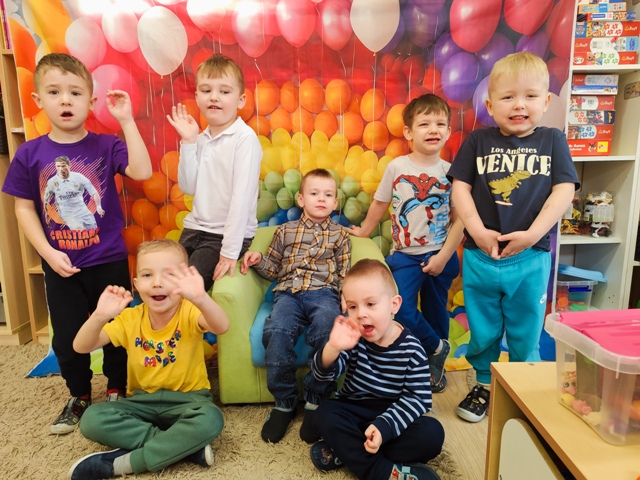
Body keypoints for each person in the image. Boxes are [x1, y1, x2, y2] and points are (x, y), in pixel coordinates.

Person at [1, 53, 152, 434]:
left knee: (117, 327)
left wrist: (127, 121)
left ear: (91, 100)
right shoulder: (29, 154)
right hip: (61, 264)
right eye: (54, 92)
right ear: (38, 100)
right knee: (68, 333)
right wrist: (48, 253)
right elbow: (25, 208)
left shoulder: (105, 145)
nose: (65, 100)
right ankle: (79, 394)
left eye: (75, 92)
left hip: (108, 259)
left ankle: (116, 388)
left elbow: (142, 171)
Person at [448, 52, 579, 423]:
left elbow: (564, 190)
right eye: (508, 97)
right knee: (483, 329)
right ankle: (484, 384)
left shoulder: (553, 140)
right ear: (490, 105)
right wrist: (476, 231)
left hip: (530, 257)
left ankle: (524, 388)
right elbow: (460, 189)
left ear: (546, 101)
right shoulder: (477, 141)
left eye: (530, 96)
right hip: (481, 256)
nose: (519, 105)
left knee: (526, 330)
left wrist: (533, 234)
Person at [68, 239, 228, 479]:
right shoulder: (130, 318)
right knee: (92, 419)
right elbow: (81, 346)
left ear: (184, 281)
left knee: (211, 419)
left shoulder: (189, 309)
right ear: (136, 284)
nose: (157, 283)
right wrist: (100, 316)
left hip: (189, 401)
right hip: (141, 402)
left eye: (169, 275)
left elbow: (222, 326)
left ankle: (126, 463)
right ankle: (180, 447)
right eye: (147, 275)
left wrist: (201, 298)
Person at [349, 94, 463, 393]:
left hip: (439, 253)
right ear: (409, 132)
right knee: (399, 309)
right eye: (424, 124)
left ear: (448, 131)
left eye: (440, 124)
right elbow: (380, 202)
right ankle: (437, 347)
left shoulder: (451, 172)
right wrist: (364, 230)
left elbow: (459, 219)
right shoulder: (397, 166)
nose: (433, 129)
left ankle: (433, 364)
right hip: (405, 255)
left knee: (437, 311)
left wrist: (443, 257)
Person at [241, 168, 351, 444]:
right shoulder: (285, 231)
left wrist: (346, 295)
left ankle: (316, 398)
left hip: (323, 293)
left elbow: (344, 272)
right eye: (314, 193)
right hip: (288, 294)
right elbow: (273, 268)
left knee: (327, 329)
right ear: (301, 199)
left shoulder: (340, 235)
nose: (321, 199)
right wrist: (258, 259)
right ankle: (284, 402)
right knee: (276, 331)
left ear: (335, 203)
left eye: (328, 195)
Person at [308, 259, 444, 480]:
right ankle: (381, 471)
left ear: (394, 305)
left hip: (392, 414)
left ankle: (347, 452)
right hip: (355, 408)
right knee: (324, 414)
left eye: (370, 304)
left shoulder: (413, 349)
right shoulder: (354, 339)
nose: (361, 314)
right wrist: (332, 347)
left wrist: (383, 428)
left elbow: (419, 400)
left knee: (432, 434)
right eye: (353, 307)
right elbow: (324, 375)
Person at [167, 53, 262, 292]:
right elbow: (188, 187)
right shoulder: (201, 138)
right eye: (206, 90)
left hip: (222, 236)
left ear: (240, 100)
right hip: (193, 229)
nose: (214, 97)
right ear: (197, 97)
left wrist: (229, 252)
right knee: (164, 282)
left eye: (224, 91)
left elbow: (242, 199)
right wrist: (188, 142)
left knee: (183, 290)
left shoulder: (245, 139)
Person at [43, 156, 103, 230]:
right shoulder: (52, 182)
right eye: (58, 166)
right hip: (67, 213)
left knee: (92, 231)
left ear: (69, 165)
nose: (60, 169)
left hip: (82, 211)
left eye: (63, 166)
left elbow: (94, 192)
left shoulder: (79, 177)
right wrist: (47, 214)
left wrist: (98, 206)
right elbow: (46, 201)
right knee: (80, 231)